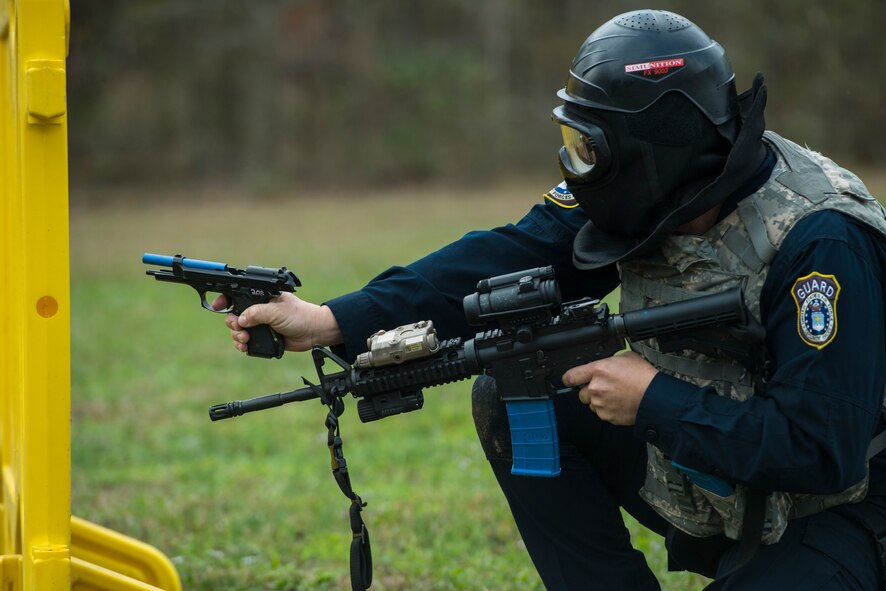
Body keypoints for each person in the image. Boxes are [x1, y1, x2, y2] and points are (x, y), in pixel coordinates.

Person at [217, 9, 886, 590]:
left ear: (654, 145)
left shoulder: (823, 240)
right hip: (728, 474)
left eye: (588, 146)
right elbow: (498, 257)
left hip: (845, 511)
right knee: (519, 394)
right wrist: (333, 319)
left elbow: (822, 450)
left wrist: (653, 397)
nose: (575, 164)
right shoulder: (662, 189)